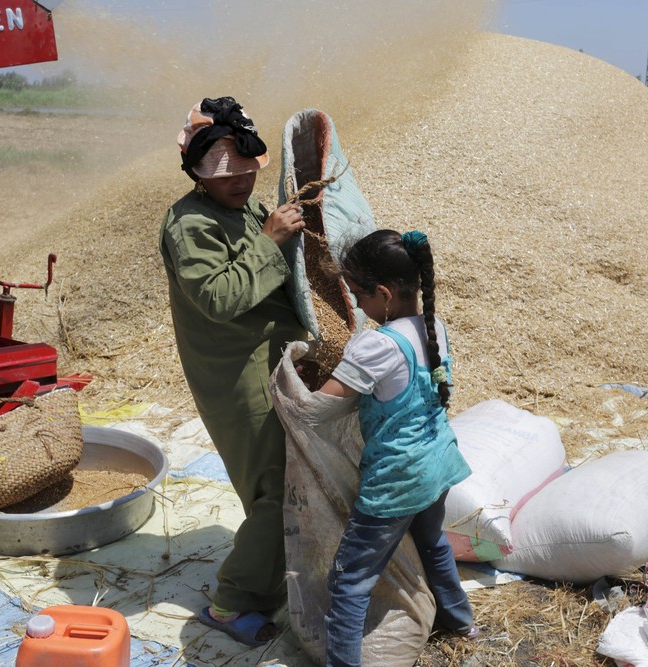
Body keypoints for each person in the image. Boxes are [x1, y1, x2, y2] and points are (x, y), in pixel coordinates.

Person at [159, 96, 307, 647]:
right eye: (226, 178)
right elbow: (219, 298)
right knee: (273, 488)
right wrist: (269, 241)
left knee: (290, 478)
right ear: (197, 174)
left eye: (246, 173)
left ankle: (270, 578)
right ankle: (231, 603)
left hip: (274, 355)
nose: (240, 184)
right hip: (235, 372)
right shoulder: (189, 224)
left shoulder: (241, 207)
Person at [311, 229, 480, 666]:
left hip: (397, 479)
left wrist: (291, 388)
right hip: (436, 460)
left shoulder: (376, 343)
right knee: (433, 542)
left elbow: (323, 406)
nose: (356, 305)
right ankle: (461, 622)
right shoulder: (432, 325)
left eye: (358, 295)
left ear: (383, 294)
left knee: (349, 580)